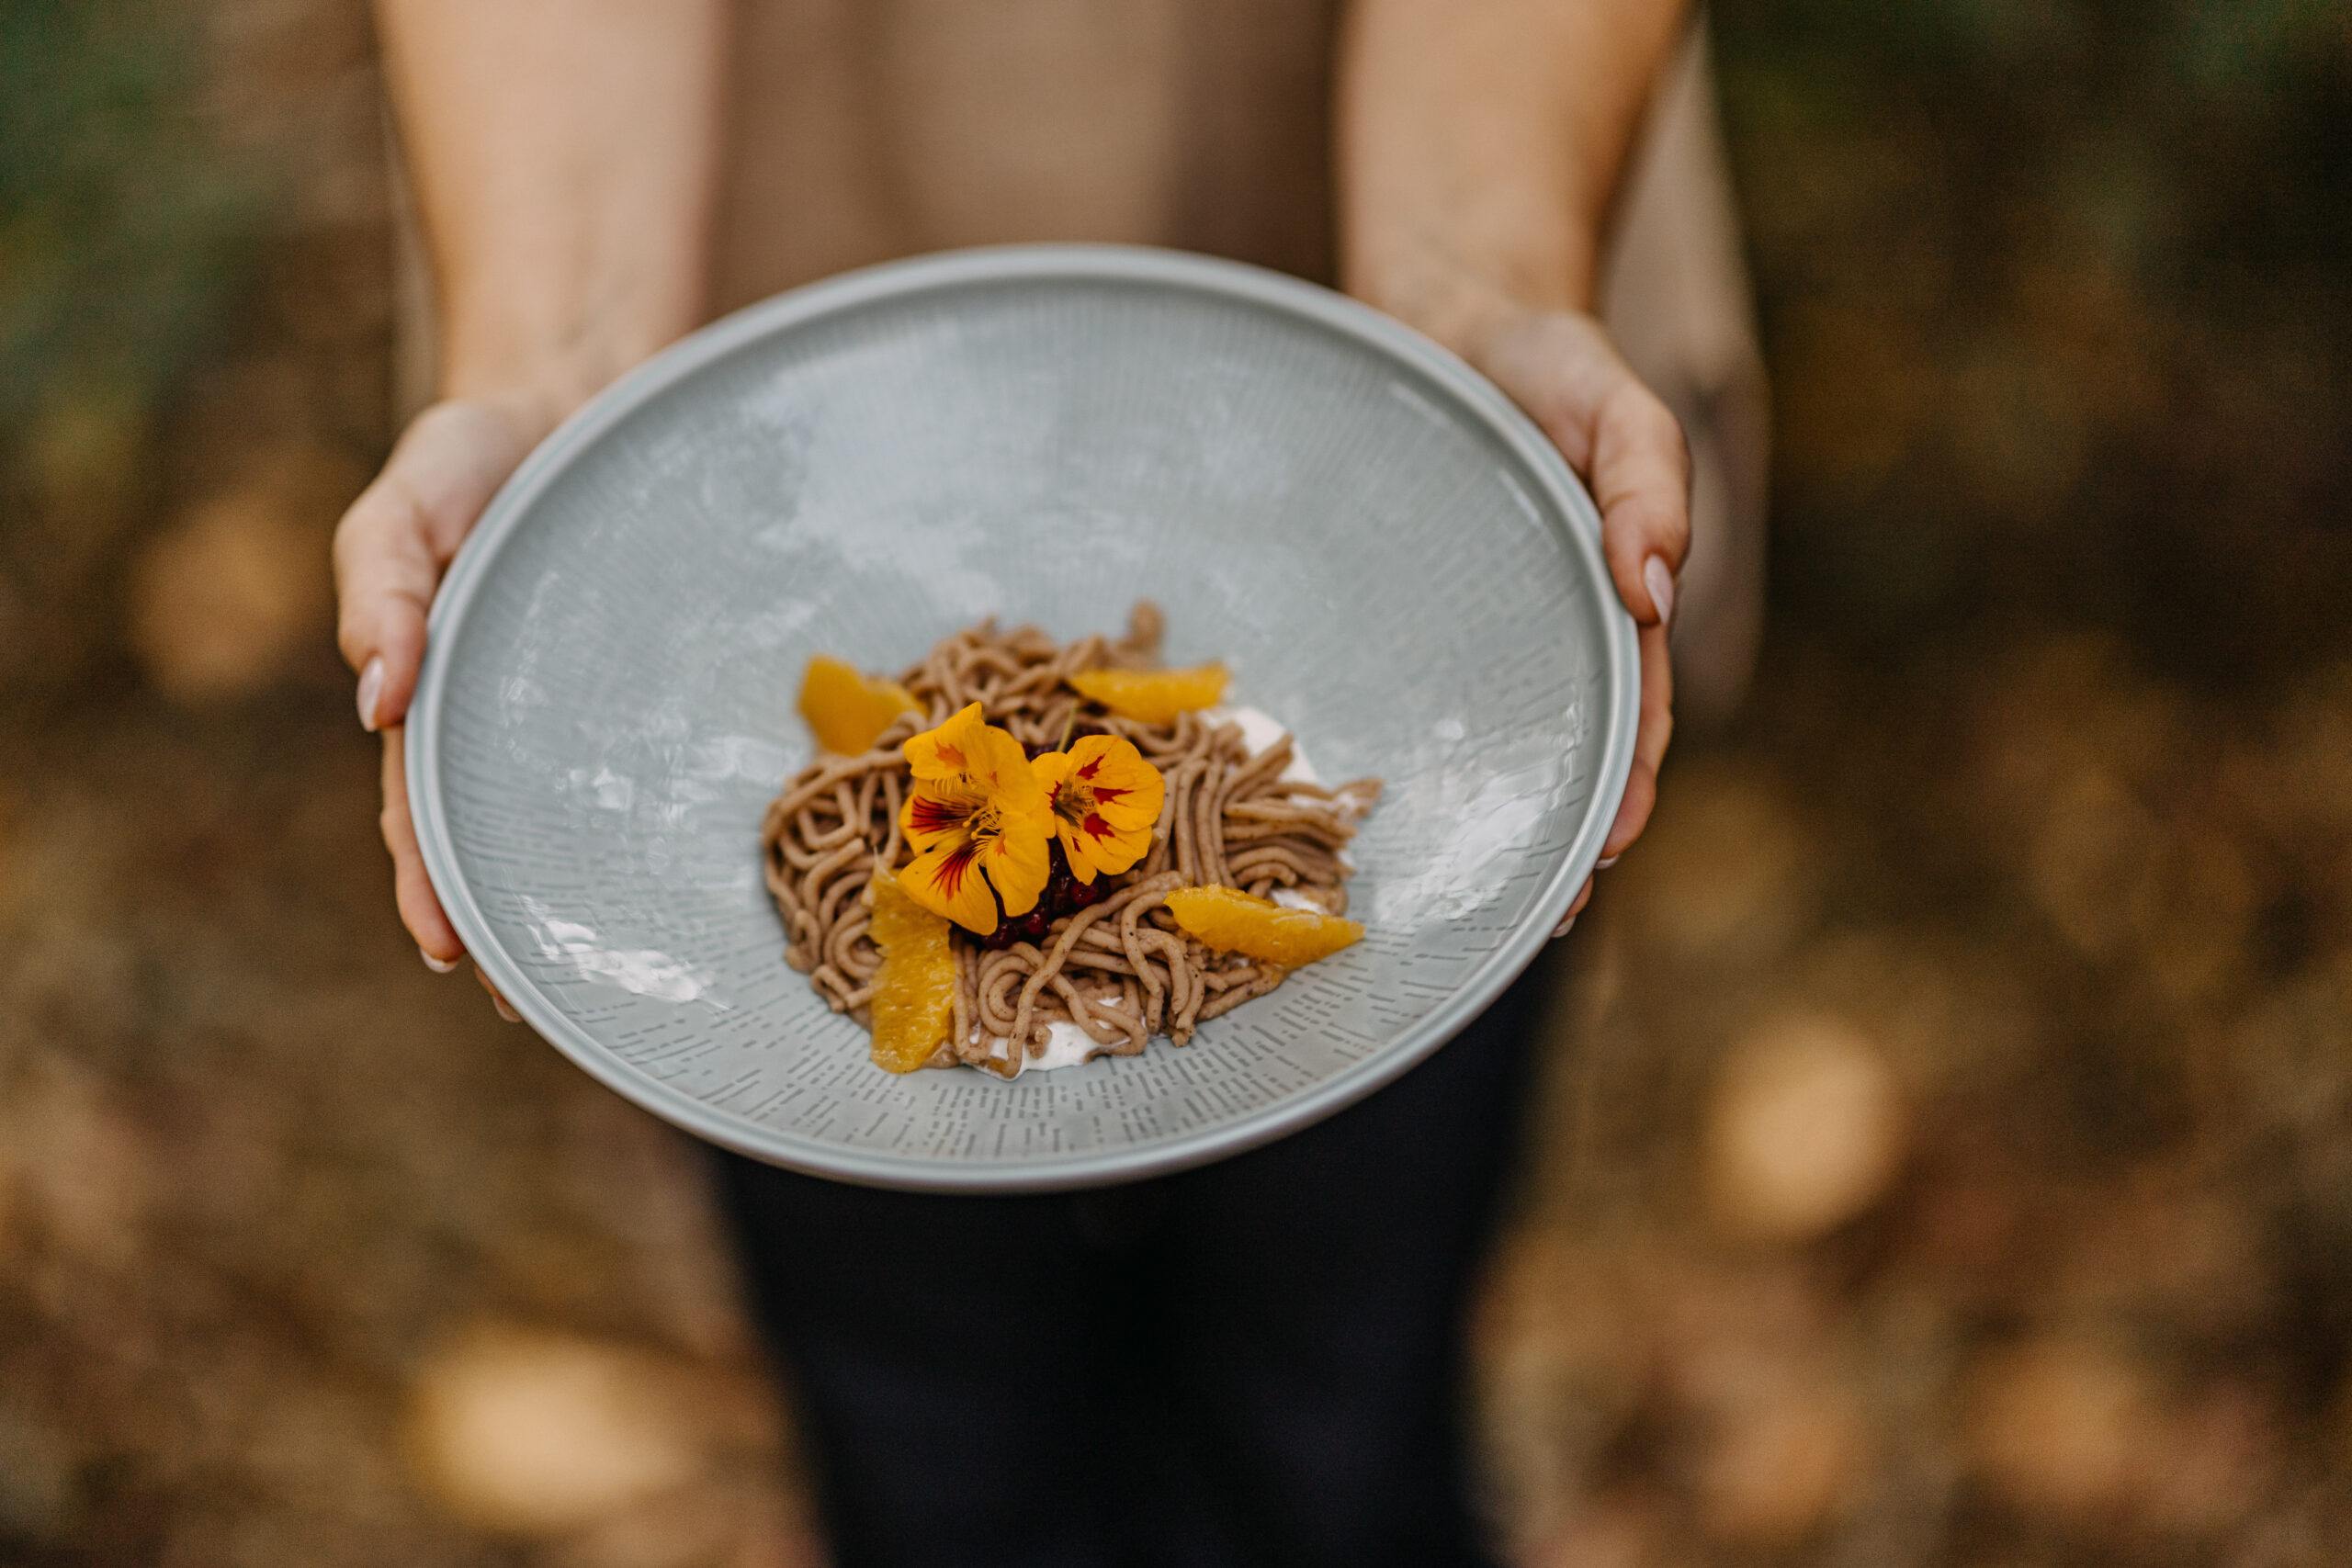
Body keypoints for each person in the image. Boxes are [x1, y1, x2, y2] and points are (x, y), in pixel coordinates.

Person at [334, 4, 1761, 1562]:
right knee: (932, 1440)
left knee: (1345, 1409)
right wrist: (564, 379)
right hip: (740, 358)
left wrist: (1473, 289)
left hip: (1450, 197)